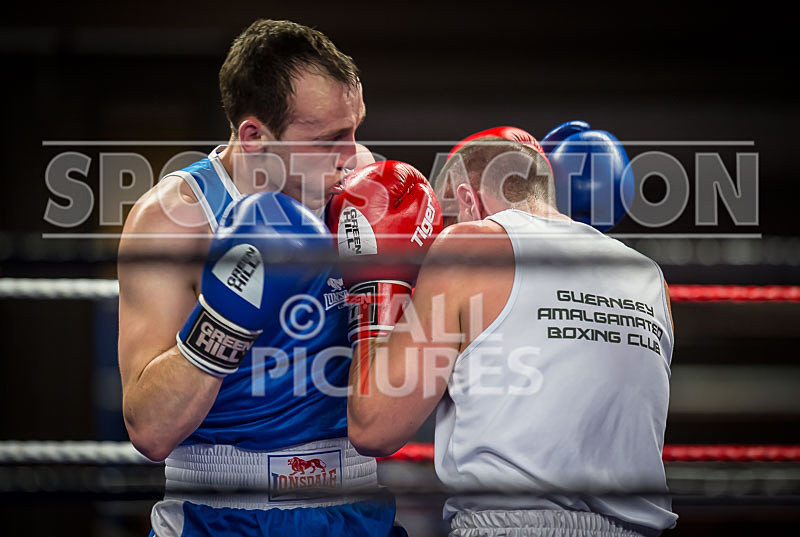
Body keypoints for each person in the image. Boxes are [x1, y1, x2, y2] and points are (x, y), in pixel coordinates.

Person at [117, 19, 401, 536]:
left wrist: (396, 292)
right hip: (222, 513)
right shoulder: (176, 220)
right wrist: (227, 317)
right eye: (331, 139)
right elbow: (149, 430)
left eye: (357, 128)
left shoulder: (371, 195)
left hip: (355, 505)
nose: (353, 156)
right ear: (254, 137)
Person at [338, 128, 678, 536]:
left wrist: (377, 284)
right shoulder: (649, 277)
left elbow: (375, 427)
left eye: (444, 220)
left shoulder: (467, 247)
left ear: (467, 200)